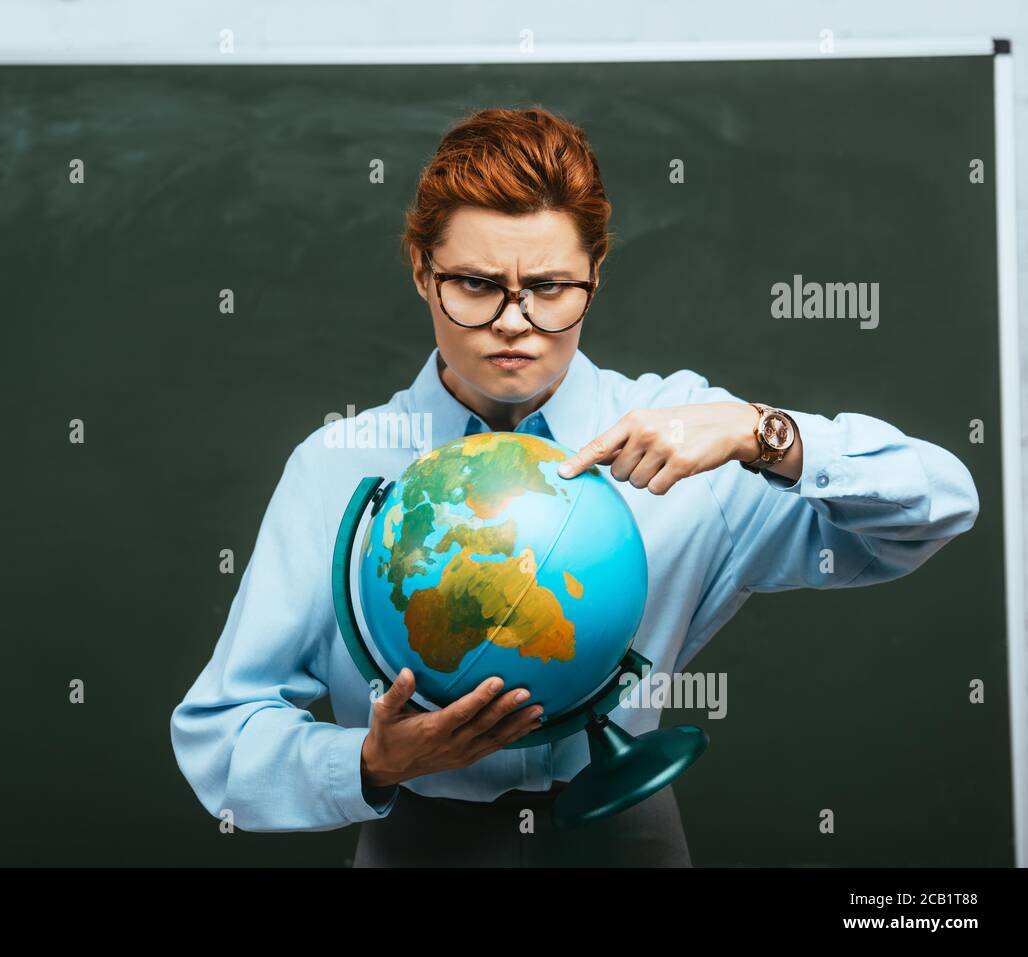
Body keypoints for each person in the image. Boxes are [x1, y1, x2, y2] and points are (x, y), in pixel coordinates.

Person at [169, 106, 980, 867]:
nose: (515, 321)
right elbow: (223, 738)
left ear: (595, 273)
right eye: (477, 284)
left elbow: (936, 507)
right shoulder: (337, 466)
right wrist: (370, 760)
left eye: (551, 288)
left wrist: (758, 430)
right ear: (422, 271)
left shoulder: (688, 437)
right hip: (415, 838)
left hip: (626, 832)